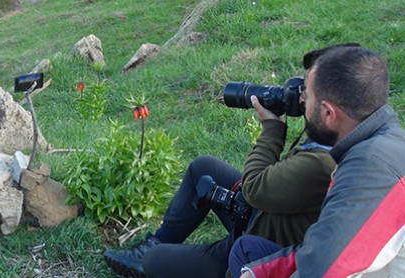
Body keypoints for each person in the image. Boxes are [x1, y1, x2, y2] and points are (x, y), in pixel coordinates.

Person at [103, 47, 341, 278]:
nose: (299, 97)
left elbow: (254, 189)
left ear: (329, 111)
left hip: (261, 247)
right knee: (203, 167)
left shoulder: (322, 163)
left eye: (306, 94)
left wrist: (272, 129)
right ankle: (158, 240)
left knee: (154, 260)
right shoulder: (338, 138)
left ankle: (152, 255)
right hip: (271, 216)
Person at [229, 46, 405, 278]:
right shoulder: (390, 141)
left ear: (329, 113)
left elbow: (323, 270)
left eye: (308, 97)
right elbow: (323, 249)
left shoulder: (366, 169)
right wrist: (257, 272)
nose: (302, 102)